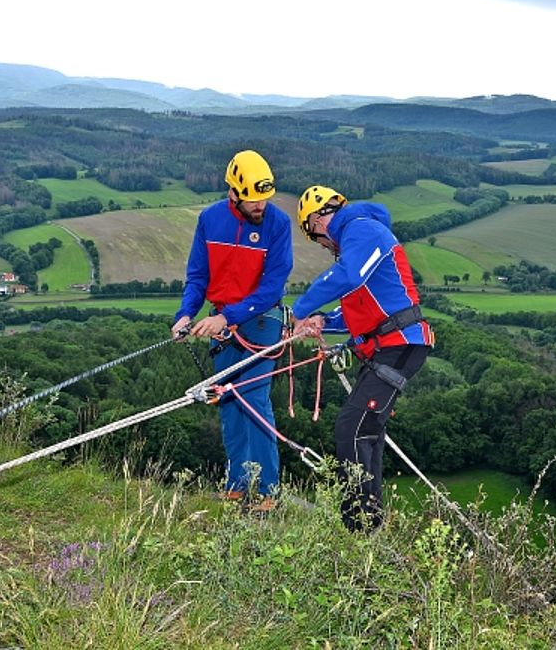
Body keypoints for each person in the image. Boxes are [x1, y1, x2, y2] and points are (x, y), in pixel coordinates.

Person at [291, 185, 433, 531]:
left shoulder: (361, 228)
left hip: (399, 344)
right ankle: (370, 524)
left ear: (317, 221)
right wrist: (324, 320)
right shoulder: (361, 235)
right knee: (366, 431)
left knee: (351, 428)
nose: (323, 247)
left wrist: (300, 309)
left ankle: (360, 525)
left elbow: (348, 277)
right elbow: (362, 304)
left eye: (316, 238)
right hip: (393, 344)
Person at [171, 150, 293, 509]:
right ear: (234, 194)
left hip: (262, 318)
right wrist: (185, 314)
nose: (261, 207)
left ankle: (268, 492)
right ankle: (237, 485)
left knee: (252, 398)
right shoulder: (210, 220)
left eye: (265, 199)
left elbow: (272, 286)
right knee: (226, 398)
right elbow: (198, 276)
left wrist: (228, 318)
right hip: (221, 319)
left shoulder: (278, 223)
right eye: (253, 200)